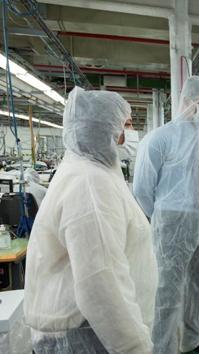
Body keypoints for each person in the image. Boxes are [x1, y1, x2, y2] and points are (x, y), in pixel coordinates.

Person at [24, 87, 157, 353]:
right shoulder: (90, 183)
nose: (132, 132)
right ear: (103, 129)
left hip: (89, 330)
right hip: (86, 335)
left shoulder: (93, 171)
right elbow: (101, 284)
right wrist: (135, 347)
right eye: (126, 124)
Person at [133, 76, 199, 354]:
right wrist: (161, 220)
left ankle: (192, 342)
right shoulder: (159, 138)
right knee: (167, 291)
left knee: (197, 287)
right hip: (171, 226)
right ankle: (163, 347)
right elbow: (142, 188)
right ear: (188, 102)